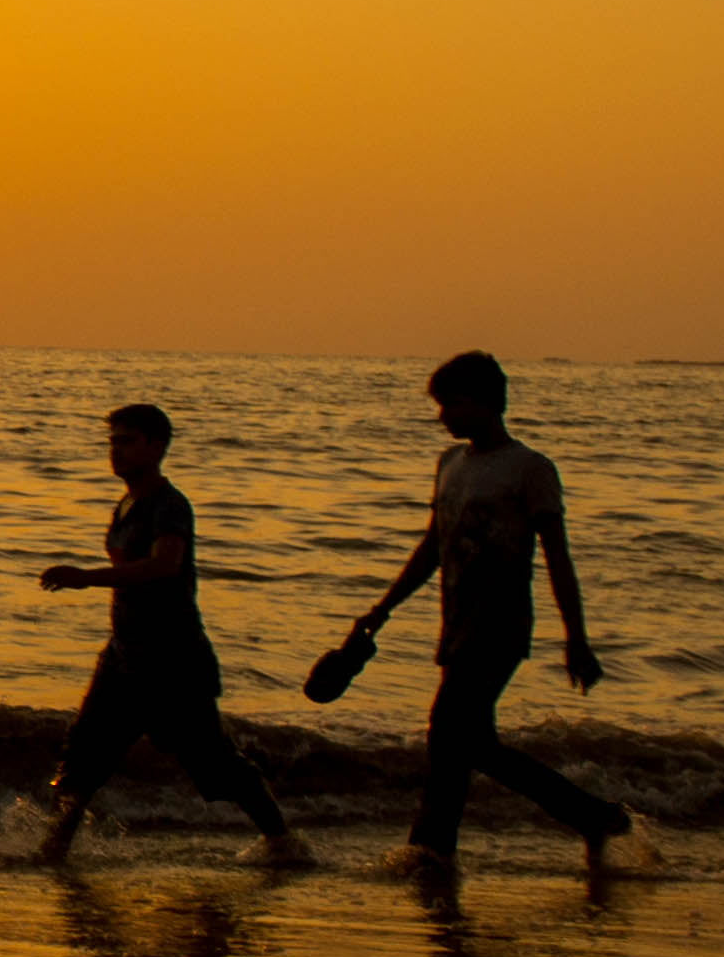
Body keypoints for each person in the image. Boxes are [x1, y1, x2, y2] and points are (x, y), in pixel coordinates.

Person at [335, 351, 640, 869]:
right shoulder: (449, 464)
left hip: (502, 622)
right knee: (466, 742)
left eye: (449, 405)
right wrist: (383, 608)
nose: (442, 417)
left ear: (481, 403)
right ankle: (586, 818)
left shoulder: (530, 469)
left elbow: (558, 558)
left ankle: (430, 849)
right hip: (456, 621)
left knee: (449, 731)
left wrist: (577, 639)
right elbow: (434, 546)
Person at [33, 403, 304, 865]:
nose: (115, 451)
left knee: (214, 763)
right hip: (124, 654)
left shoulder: (169, 505)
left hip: (173, 658)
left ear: (155, 447)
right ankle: (53, 848)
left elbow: (165, 565)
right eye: (112, 442)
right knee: (81, 757)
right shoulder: (126, 504)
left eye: (127, 441)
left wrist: (86, 577)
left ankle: (281, 842)